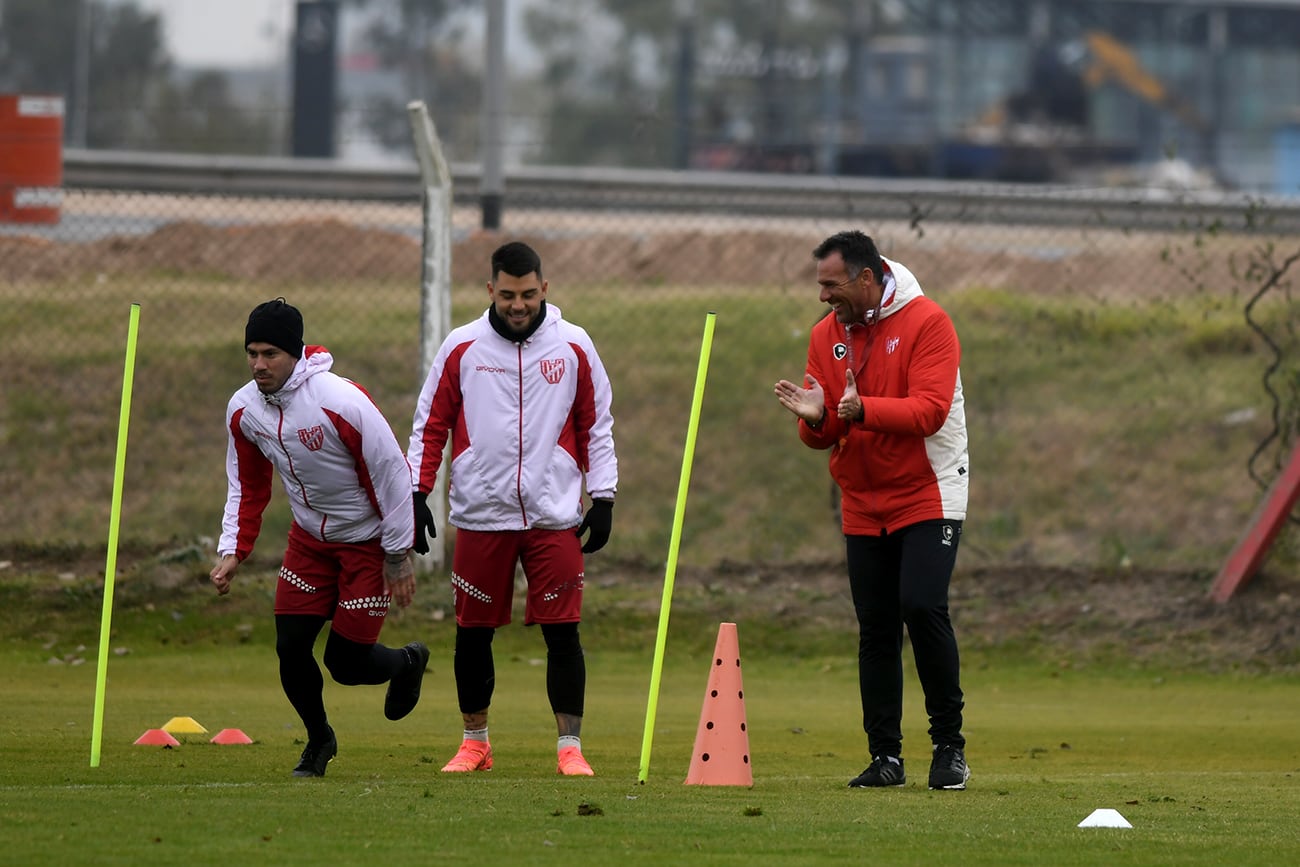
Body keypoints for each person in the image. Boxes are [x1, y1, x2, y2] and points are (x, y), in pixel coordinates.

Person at [407, 240, 617, 777]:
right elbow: (431, 424)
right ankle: (474, 743)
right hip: (482, 513)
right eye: (507, 295)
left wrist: (605, 495)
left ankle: (570, 749)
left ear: (544, 288)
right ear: (490, 291)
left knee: (563, 632)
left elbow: (596, 423)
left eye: (527, 294)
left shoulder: (574, 345)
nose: (517, 304)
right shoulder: (461, 347)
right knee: (472, 632)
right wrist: (415, 492)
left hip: (555, 515)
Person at [773, 230, 971, 791]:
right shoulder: (824, 336)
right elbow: (827, 429)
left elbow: (930, 412)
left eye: (831, 285)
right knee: (876, 626)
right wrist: (816, 419)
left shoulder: (929, 322)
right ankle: (886, 757)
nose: (822, 297)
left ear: (866, 278)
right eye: (819, 286)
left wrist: (859, 411)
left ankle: (949, 747)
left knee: (921, 605)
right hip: (863, 498)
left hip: (928, 490)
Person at [210, 298, 431, 778]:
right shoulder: (244, 409)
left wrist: (397, 555)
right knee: (290, 646)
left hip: (367, 542)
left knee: (346, 664)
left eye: (269, 353)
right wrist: (233, 550)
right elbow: (246, 484)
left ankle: (408, 661)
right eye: (251, 353)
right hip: (309, 540)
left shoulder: (341, 401)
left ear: (295, 353)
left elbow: (393, 474)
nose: (258, 364)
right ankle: (318, 739)